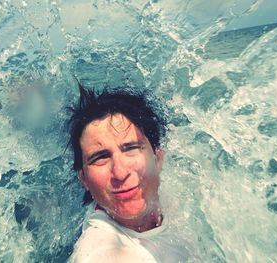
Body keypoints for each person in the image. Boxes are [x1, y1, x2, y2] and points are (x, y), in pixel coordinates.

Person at [67, 85, 190, 263]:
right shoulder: (99, 255)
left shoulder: (187, 189)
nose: (120, 172)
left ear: (158, 158)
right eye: (100, 158)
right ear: (83, 179)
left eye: (131, 149)